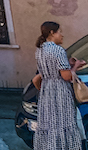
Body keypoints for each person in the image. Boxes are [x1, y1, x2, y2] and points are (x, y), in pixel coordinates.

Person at [32, 21, 84, 150]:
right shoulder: (58, 50)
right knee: (64, 122)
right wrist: (76, 66)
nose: (62, 35)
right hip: (60, 91)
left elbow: (45, 74)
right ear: (52, 33)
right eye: (59, 32)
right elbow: (66, 77)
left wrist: (68, 64)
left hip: (47, 90)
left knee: (50, 123)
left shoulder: (40, 50)